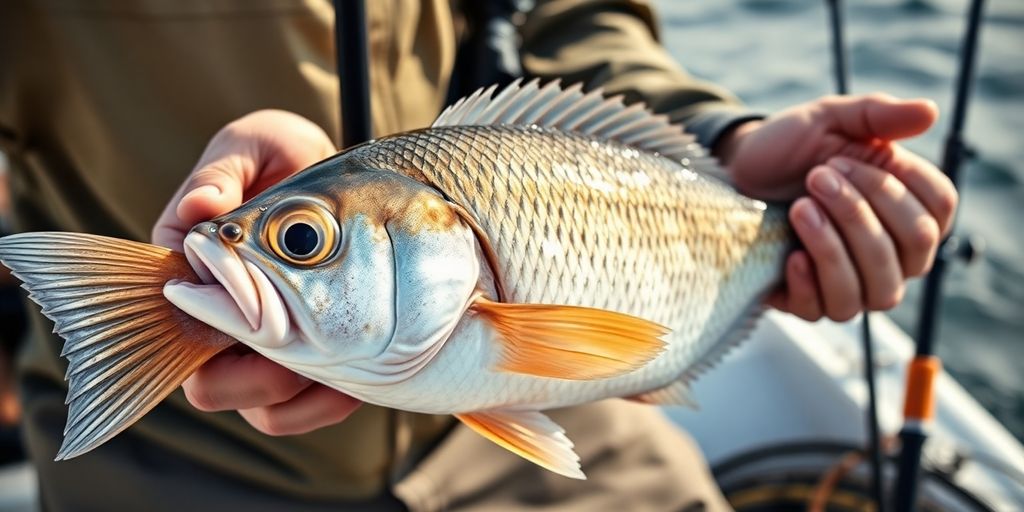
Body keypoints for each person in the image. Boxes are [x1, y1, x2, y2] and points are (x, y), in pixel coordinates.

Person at [0, 0, 956, 510]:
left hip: (492, 420)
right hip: (177, 464)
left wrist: (727, 142)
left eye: (302, 242)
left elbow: (570, 21)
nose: (284, 253)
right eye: (303, 242)